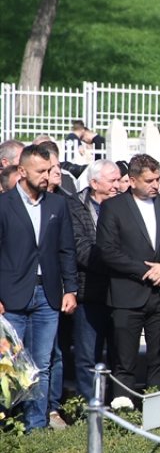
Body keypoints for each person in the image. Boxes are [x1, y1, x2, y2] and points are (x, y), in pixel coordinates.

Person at [96, 153, 160, 405]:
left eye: (158, 179)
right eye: (149, 180)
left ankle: (154, 417)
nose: (155, 185)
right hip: (127, 296)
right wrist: (146, 270)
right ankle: (123, 417)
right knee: (124, 361)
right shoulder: (113, 207)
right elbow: (107, 251)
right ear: (133, 180)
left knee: (159, 361)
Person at [0, 144, 78, 430]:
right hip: (12, 297)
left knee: (42, 364)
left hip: (48, 295)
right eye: (41, 171)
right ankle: (7, 426)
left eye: (49, 170)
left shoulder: (57, 205)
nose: (47, 176)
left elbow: (66, 250)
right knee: (10, 365)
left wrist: (70, 289)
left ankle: (36, 427)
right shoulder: (4, 205)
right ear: (22, 171)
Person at [71, 159, 119, 400]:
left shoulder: (124, 205)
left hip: (120, 292)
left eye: (119, 180)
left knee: (118, 354)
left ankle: (116, 407)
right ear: (94, 183)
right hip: (88, 291)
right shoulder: (75, 207)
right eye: (112, 181)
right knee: (88, 356)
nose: (117, 185)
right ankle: (88, 409)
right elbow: (81, 249)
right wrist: (119, 262)